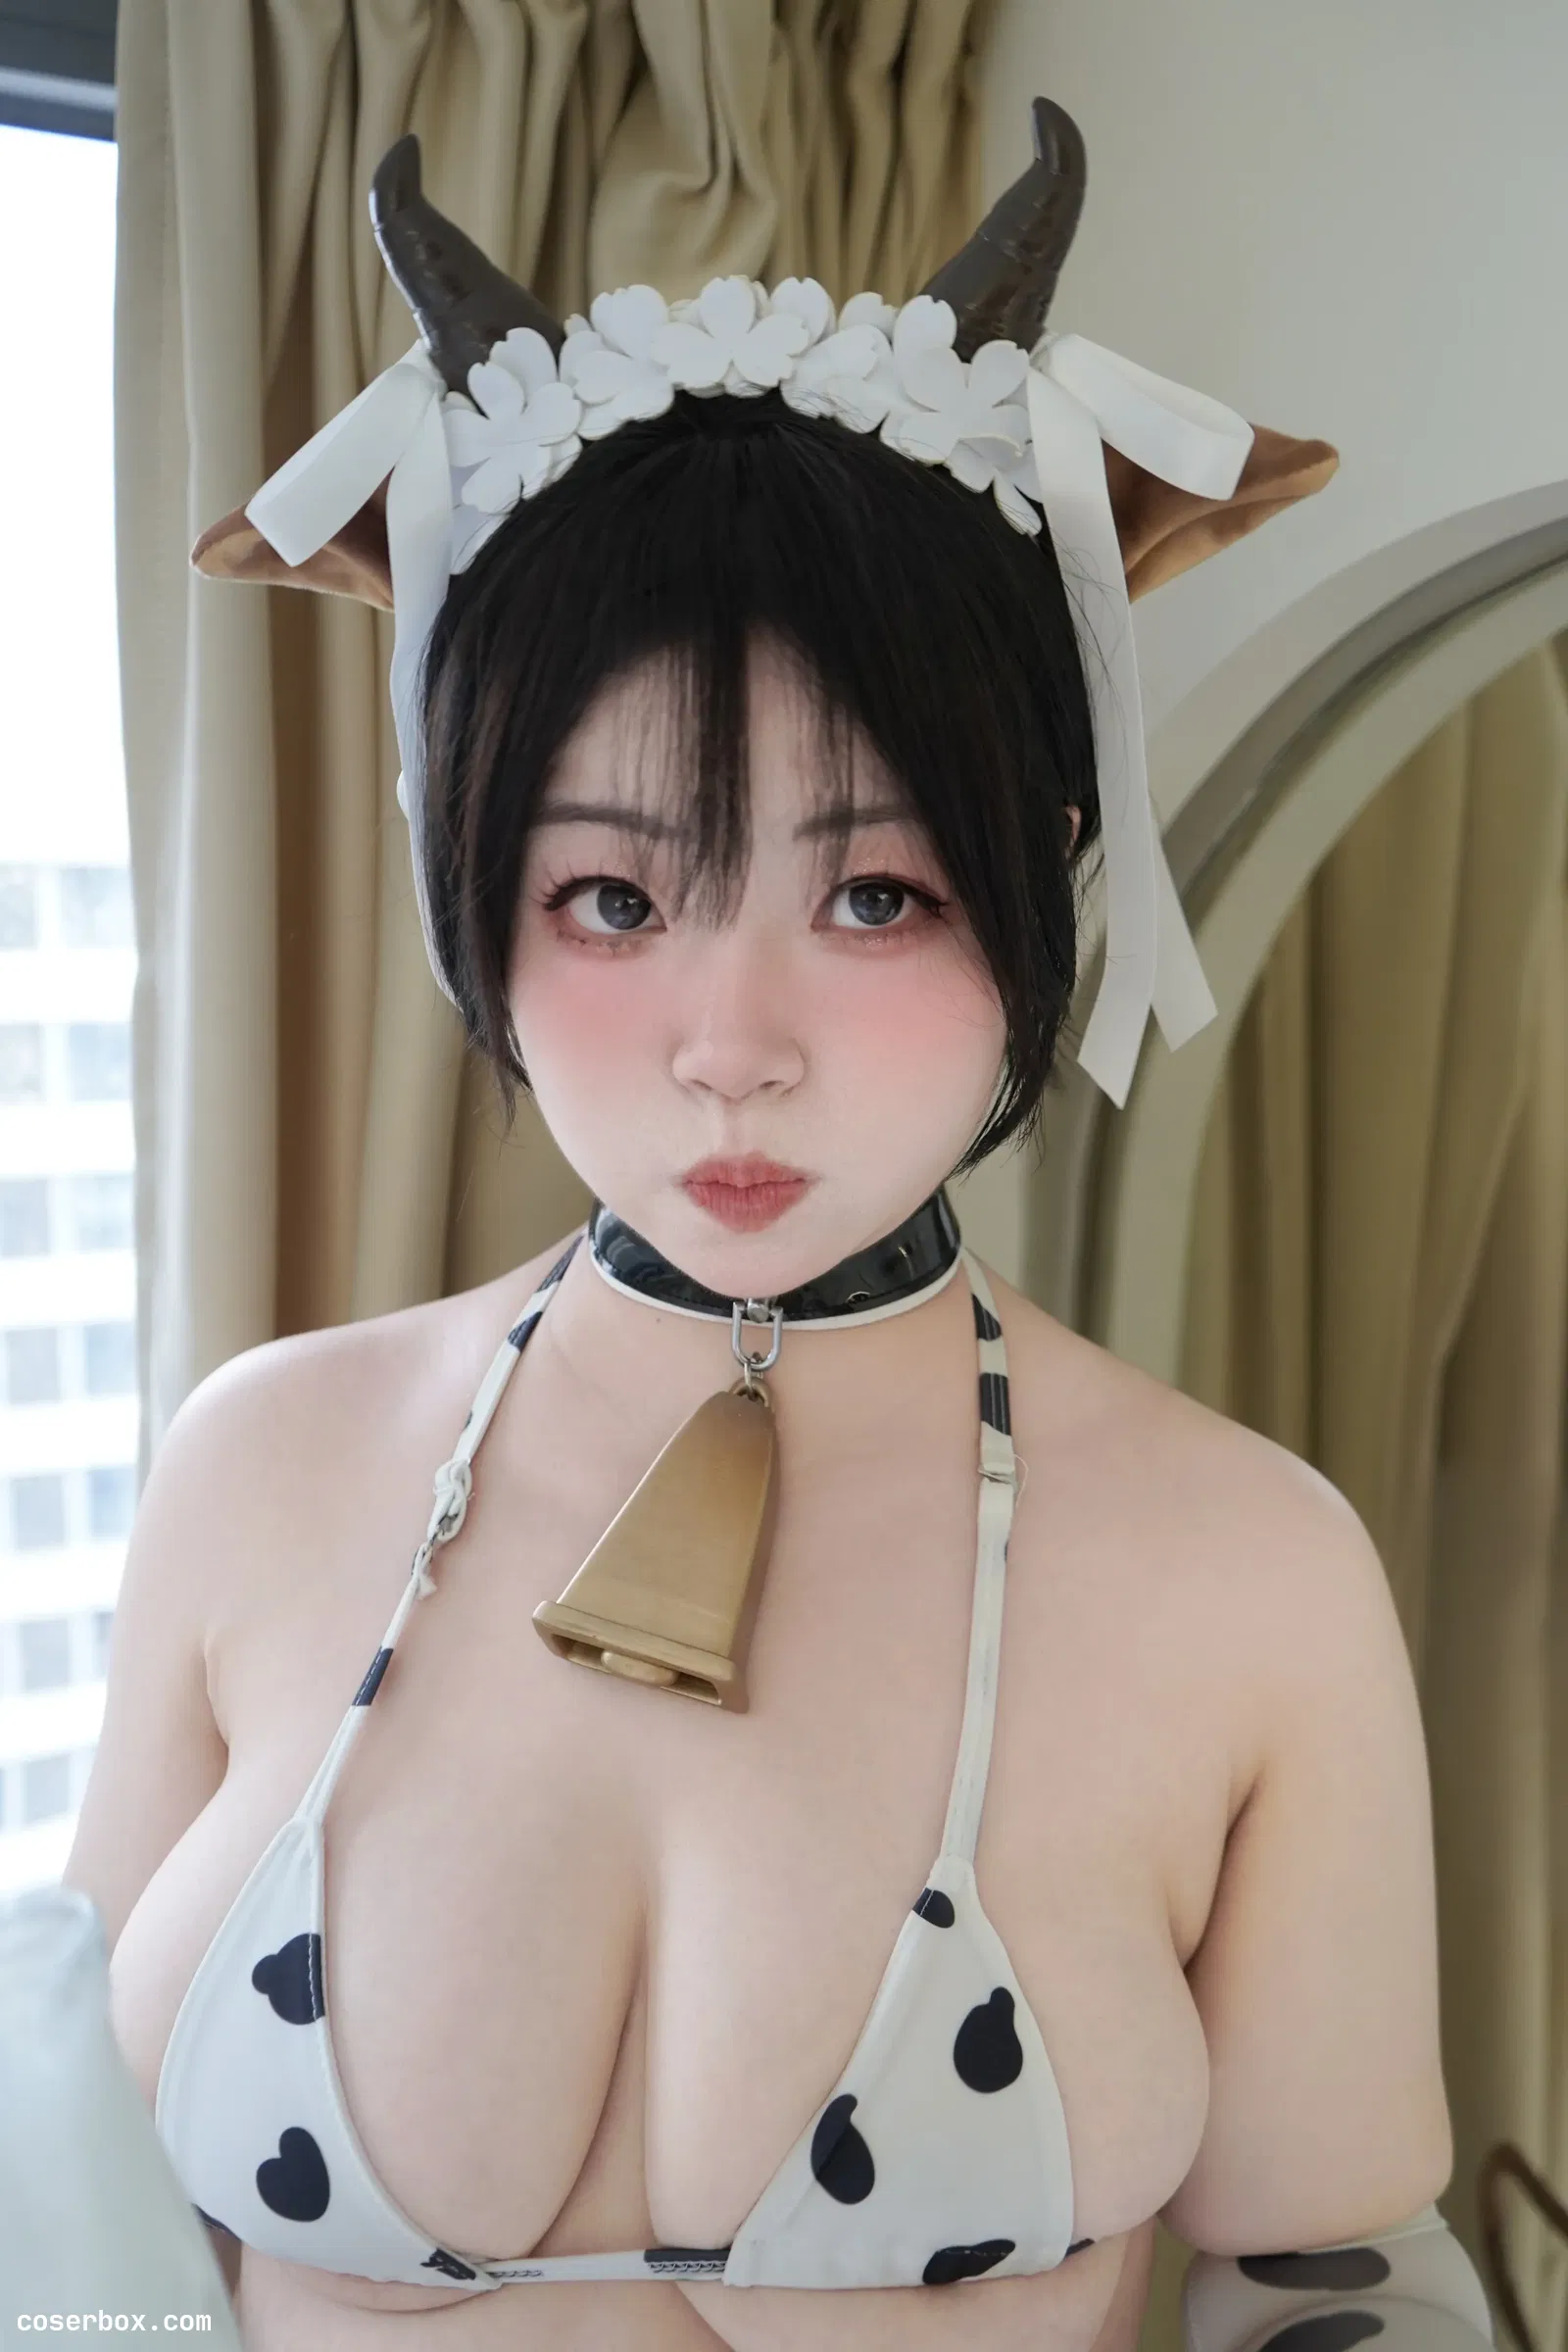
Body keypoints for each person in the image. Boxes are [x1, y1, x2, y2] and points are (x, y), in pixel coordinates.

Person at [63, 97, 1494, 2352]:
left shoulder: (1252, 1571)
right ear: (472, 899)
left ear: (1044, 874)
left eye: (875, 893)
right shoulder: (258, 1465)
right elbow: (69, 2214)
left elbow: (1334, 2274)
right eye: (613, 897)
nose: (731, 1048)